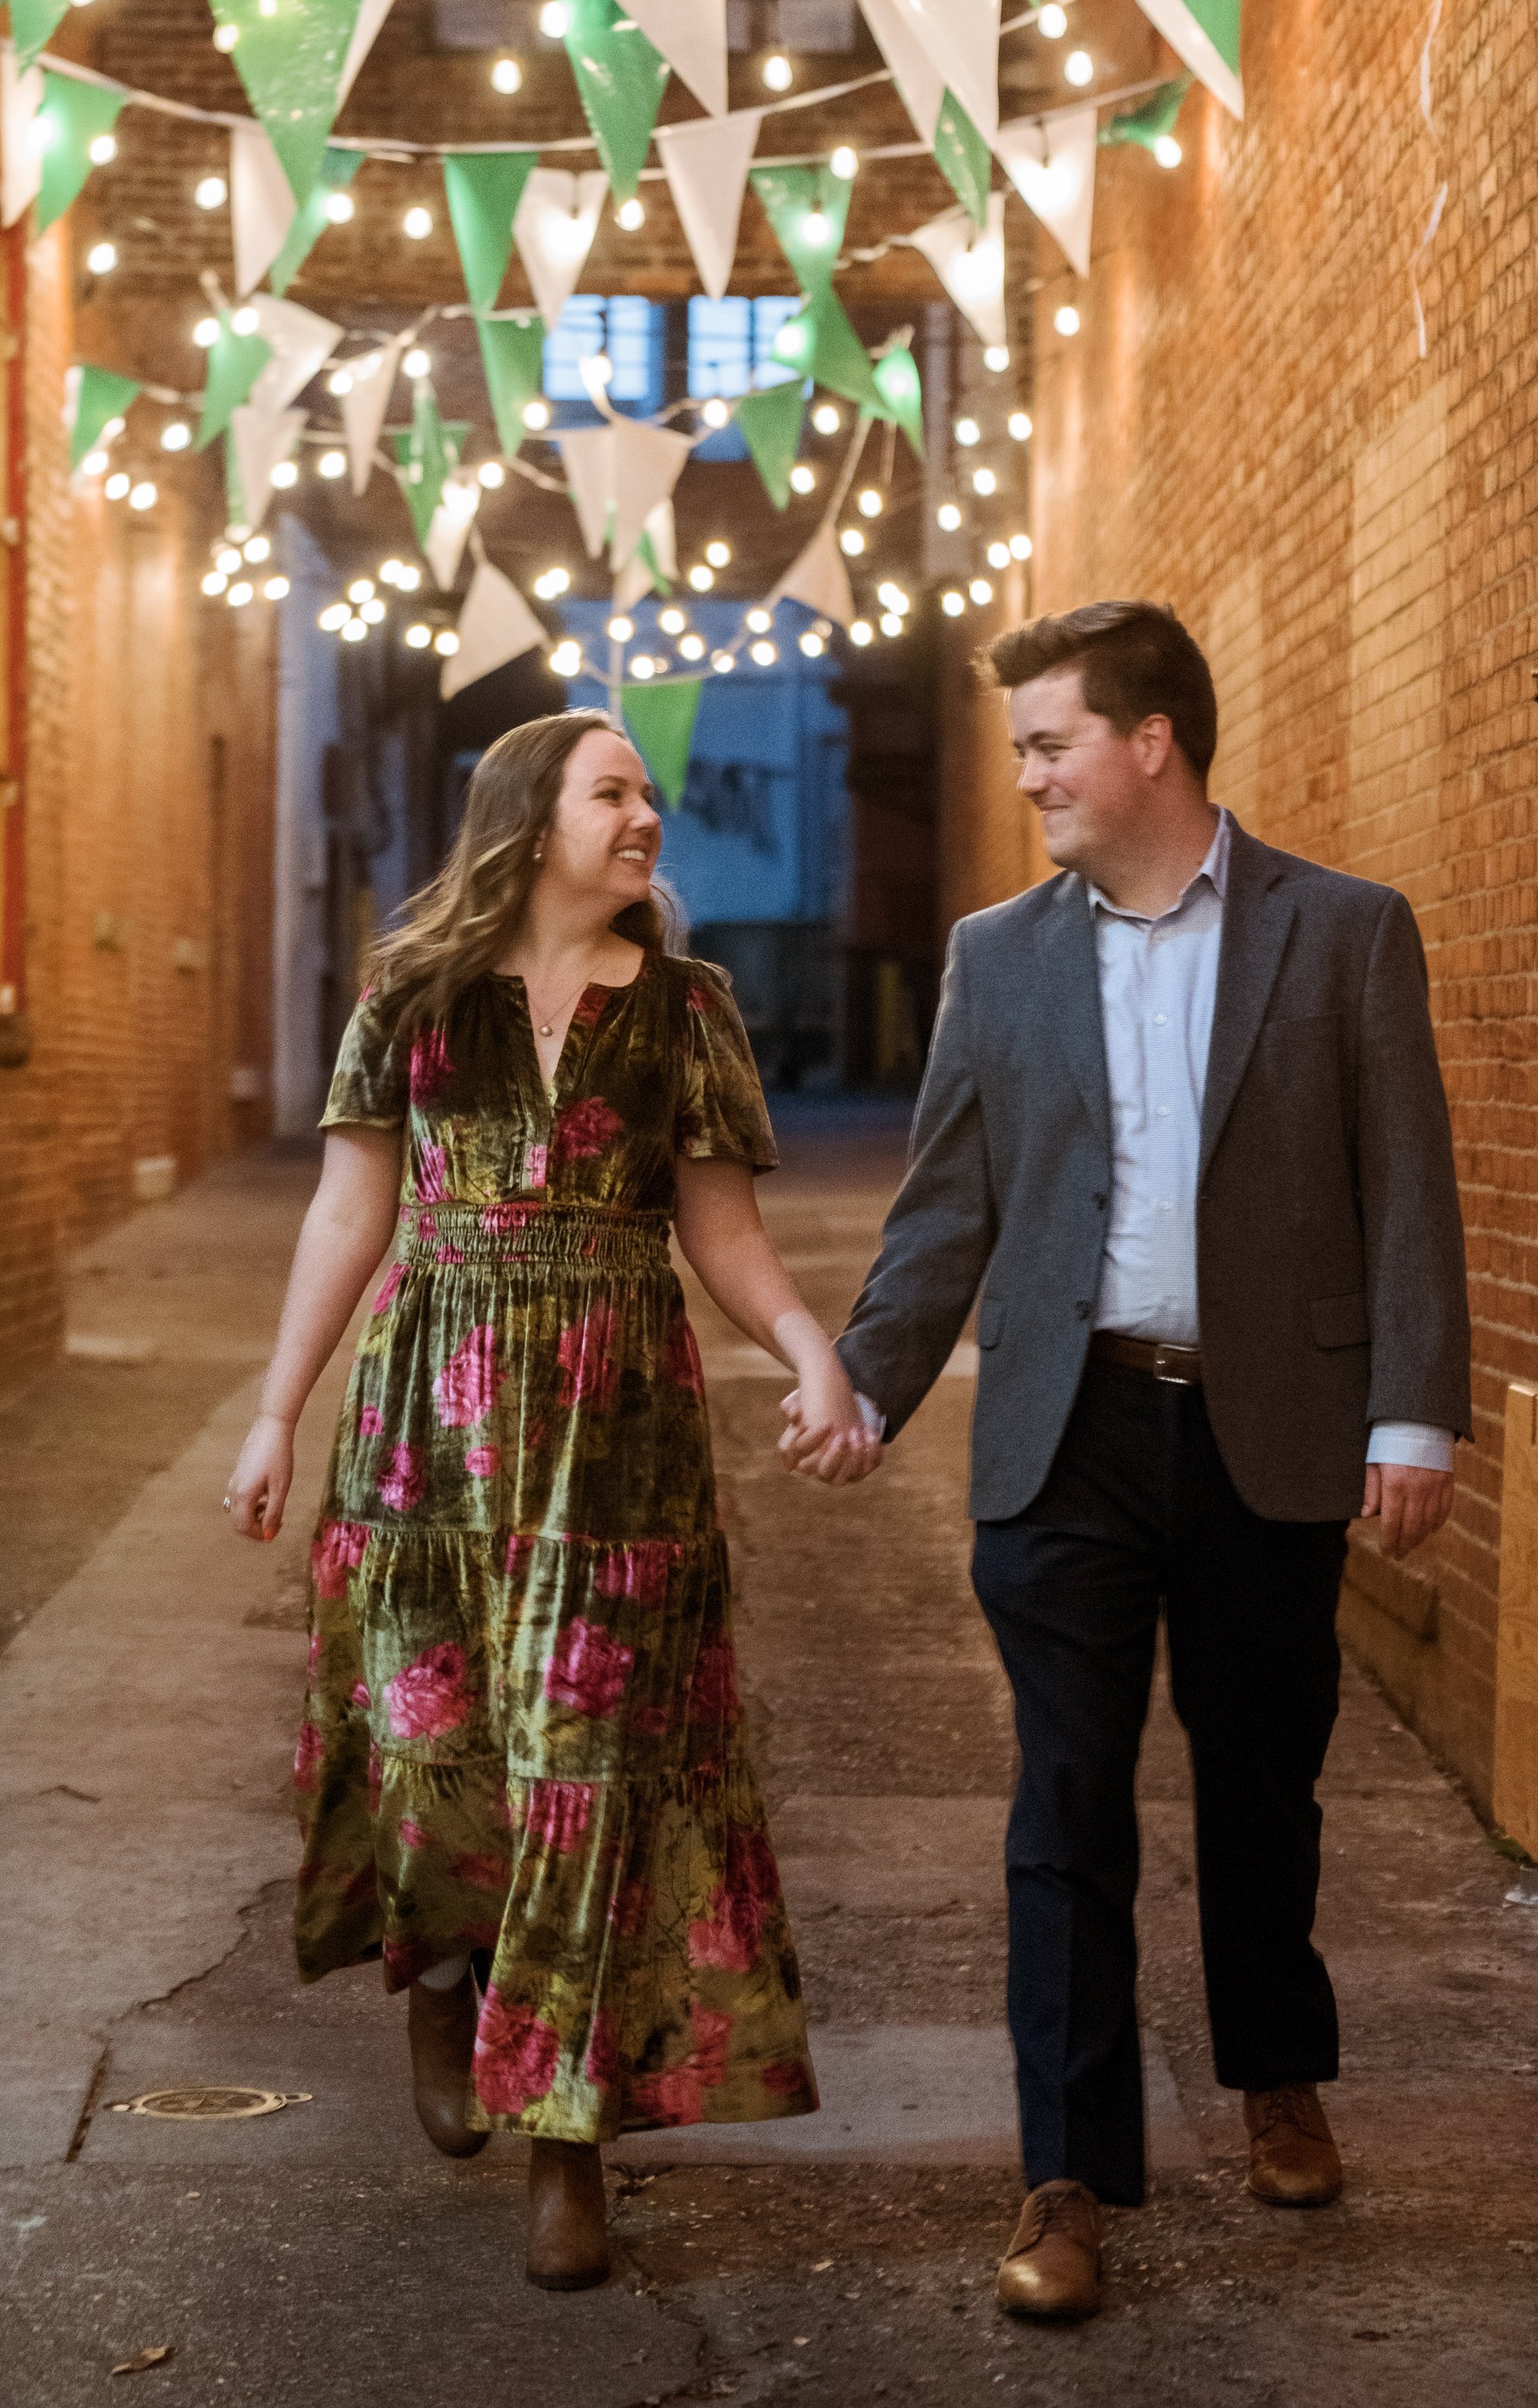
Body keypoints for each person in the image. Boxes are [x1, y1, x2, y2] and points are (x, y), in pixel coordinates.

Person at [781, 601, 1469, 2324]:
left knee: (1259, 1777)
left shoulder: (1342, 932)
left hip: (1269, 1422)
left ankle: (1275, 2065)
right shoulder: (997, 951)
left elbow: (1405, 1186)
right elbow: (947, 1204)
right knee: (1063, 1800)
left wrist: (1410, 1409)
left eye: (1047, 741)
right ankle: (1068, 2167)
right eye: (1017, 745)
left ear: (1147, 738)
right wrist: (864, 1379)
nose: (1024, 775)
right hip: (1062, 1422)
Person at [223, 710, 868, 2292]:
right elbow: (349, 1205)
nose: (646, 814)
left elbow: (716, 1231)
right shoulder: (413, 991)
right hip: (427, 1429)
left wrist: (809, 1350)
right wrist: (273, 1408)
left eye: (647, 791)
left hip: (613, 1433)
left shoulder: (691, 1012)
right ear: (529, 820)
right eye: (614, 790)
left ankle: (566, 2138)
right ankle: (441, 1970)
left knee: (592, 1767)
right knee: (435, 1740)